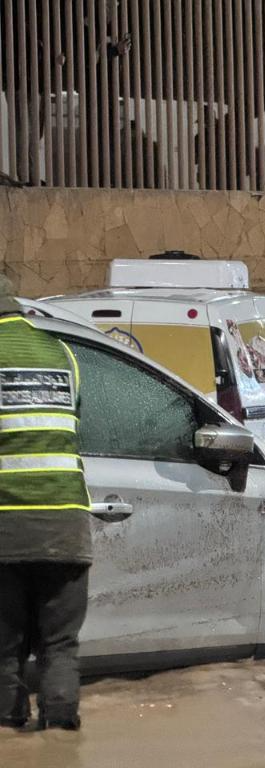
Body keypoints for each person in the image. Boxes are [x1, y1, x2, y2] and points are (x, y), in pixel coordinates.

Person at [0, 274, 92, 731]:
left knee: (4, 651)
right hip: (66, 527)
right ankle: (59, 739)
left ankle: (10, 732)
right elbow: (72, 423)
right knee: (60, 646)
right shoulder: (62, 354)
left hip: (6, 529)